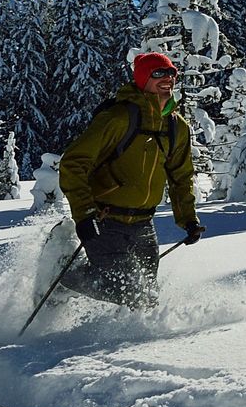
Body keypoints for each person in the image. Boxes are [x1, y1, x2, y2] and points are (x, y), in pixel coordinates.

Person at [56, 51, 204, 307]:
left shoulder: (176, 127)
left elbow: (181, 176)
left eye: (171, 73)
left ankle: (130, 345)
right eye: (158, 73)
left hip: (143, 224)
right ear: (142, 78)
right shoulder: (118, 117)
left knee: (147, 300)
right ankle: (62, 277)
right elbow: (73, 163)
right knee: (126, 292)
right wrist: (85, 215)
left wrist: (188, 220)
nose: (167, 78)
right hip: (105, 219)